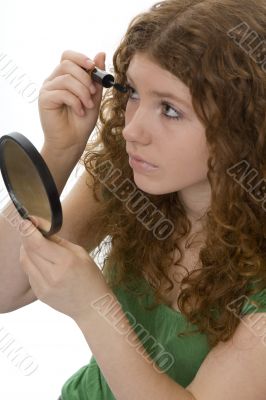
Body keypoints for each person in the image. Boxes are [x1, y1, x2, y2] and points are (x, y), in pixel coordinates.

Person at [1, 0, 266, 399]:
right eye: (134, 94)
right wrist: (60, 149)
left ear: (247, 127)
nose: (132, 130)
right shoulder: (132, 180)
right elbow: (5, 288)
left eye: (170, 110)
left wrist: (94, 309)